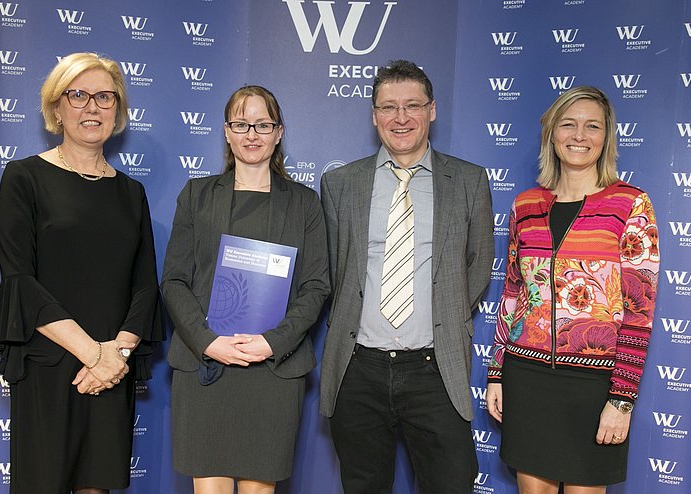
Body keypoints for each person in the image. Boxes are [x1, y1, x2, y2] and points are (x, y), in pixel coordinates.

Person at [0, 52, 165, 494]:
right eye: (79, 95)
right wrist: (93, 354)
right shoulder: (23, 177)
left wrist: (116, 355)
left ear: (118, 111)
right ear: (56, 108)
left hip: (111, 367)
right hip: (50, 361)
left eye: (105, 97)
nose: (92, 107)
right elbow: (19, 280)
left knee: (97, 486)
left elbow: (145, 285)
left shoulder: (131, 192)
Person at [320, 60, 494, 493]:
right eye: (388, 107)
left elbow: (477, 265)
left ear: (432, 110)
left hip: (436, 369)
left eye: (413, 105)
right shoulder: (340, 183)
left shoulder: (469, 181)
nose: (401, 118)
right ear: (374, 114)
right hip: (358, 368)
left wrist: (444, 313)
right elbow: (331, 271)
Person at [485, 86, 660, 494]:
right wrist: (497, 373)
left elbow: (639, 312)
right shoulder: (525, 205)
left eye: (592, 126)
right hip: (526, 377)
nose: (579, 135)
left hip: (594, 384)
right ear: (551, 134)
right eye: (568, 124)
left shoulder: (630, 205)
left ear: (606, 137)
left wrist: (621, 400)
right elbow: (512, 294)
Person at [162, 85, 330, 494]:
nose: (251, 133)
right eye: (241, 123)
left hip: (271, 370)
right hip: (208, 366)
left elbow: (316, 286)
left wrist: (272, 343)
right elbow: (174, 281)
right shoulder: (196, 195)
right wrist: (207, 342)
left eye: (262, 124)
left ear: (278, 132)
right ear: (226, 131)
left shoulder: (305, 203)